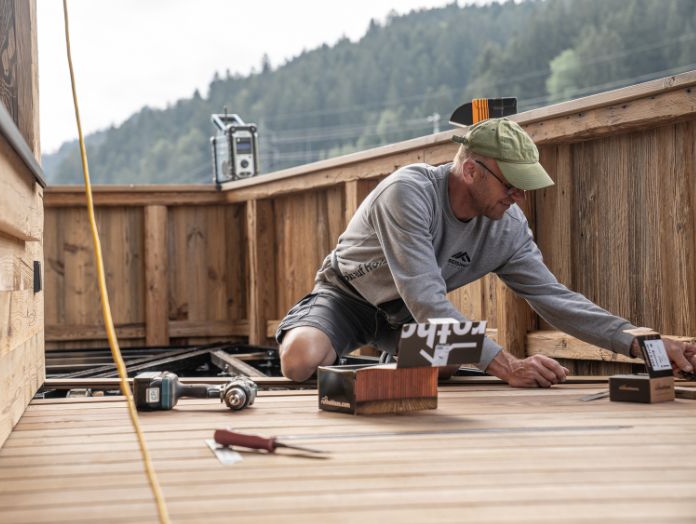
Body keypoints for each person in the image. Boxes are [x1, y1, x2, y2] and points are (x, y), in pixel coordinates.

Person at [276, 118, 696, 386]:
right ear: (471, 170)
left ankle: (384, 371)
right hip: (348, 297)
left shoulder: (507, 227)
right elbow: (426, 298)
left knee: (452, 358)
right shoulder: (408, 193)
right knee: (300, 361)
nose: (519, 198)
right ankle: (380, 366)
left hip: (405, 319)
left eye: (524, 187)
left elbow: (556, 299)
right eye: (510, 184)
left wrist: (643, 344)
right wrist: (507, 365)